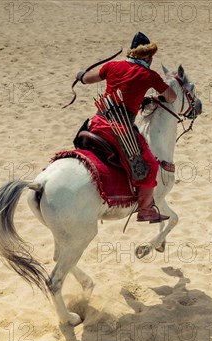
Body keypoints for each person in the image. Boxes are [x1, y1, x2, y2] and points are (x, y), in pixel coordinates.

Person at [76, 32, 177, 223]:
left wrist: (80, 75)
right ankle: (146, 209)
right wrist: (159, 97)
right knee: (151, 166)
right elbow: (171, 97)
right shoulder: (149, 75)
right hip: (120, 130)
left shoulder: (112, 66)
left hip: (97, 123)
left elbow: (88, 78)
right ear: (148, 56)